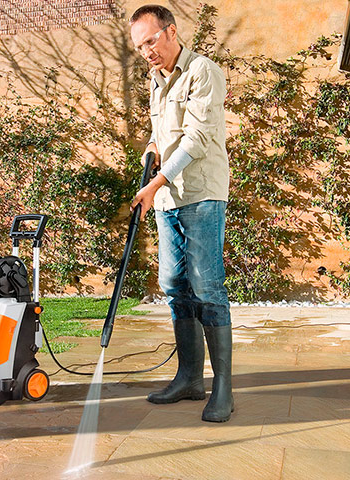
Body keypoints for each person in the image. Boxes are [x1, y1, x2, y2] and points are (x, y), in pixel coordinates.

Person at [128, 5, 233, 422]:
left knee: (207, 286)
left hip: (201, 193)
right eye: (140, 47)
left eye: (151, 41)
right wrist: (152, 149)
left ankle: (222, 386)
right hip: (168, 198)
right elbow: (163, 132)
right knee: (174, 283)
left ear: (171, 32)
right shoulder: (156, 81)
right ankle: (189, 377)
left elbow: (198, 137)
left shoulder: (202, 71)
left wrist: (155, 183)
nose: (147, 52)